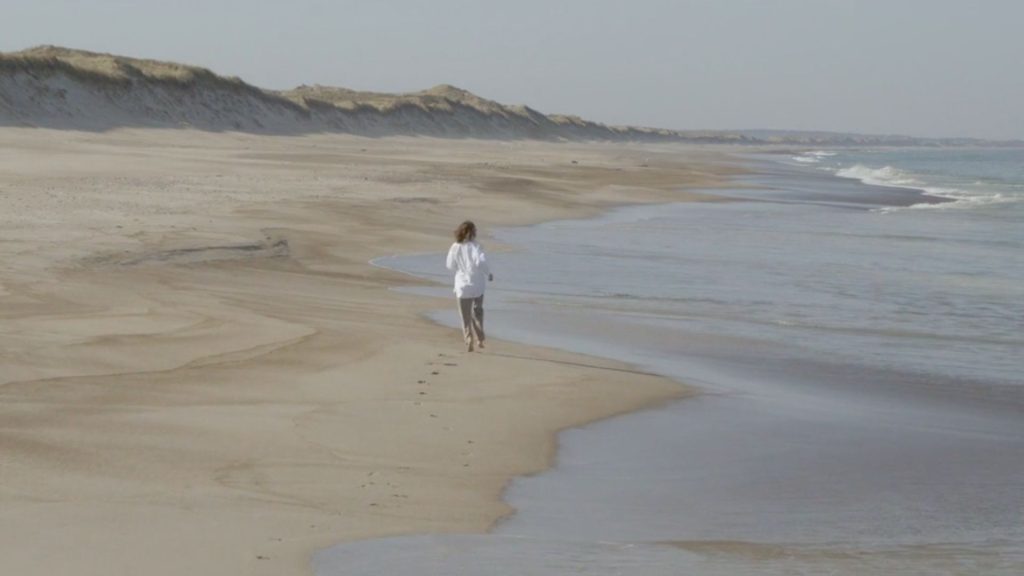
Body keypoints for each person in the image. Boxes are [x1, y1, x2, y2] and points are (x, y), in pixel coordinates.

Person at [446, 220, 493, 352]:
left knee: (465, 316)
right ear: (472, 233)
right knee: (477, 312)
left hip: (462, 286)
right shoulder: (476, 246)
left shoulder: (455, 247)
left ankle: (468, 339)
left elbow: (449, 265)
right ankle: (480, 338)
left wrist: (460, 269)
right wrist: (488, 273)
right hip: (477, 285)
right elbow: (480, 262)